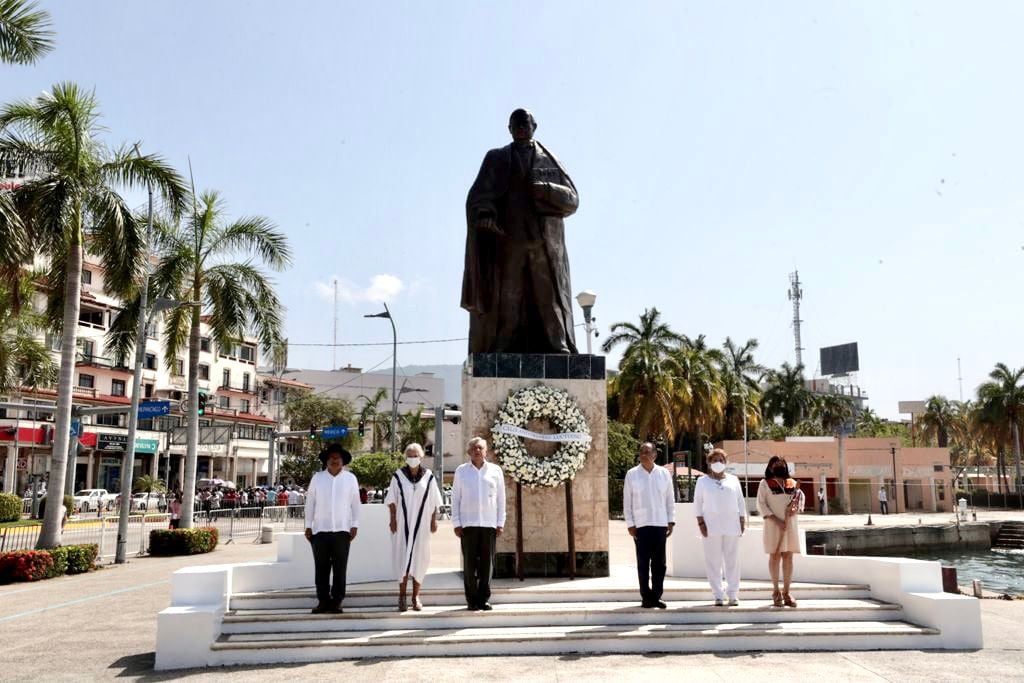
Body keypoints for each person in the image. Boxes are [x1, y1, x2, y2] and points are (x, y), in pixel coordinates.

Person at [461, 108, 580, 354]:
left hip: (544, 244)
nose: (520, 129)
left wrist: (546, 189)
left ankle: (557, 344)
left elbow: (573, 200)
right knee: (508, 297)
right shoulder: (496, 158)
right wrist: (485, 214)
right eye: (515, 125)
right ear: (509, 129)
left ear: (534, 125)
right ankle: (503, 345)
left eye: (524, 124)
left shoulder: (550, 159)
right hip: (508, 241)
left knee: (549, 296)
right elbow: (477, 198)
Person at [386, 443, 443, 612]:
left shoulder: (429, 477)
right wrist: (393, 519)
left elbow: (434, 502)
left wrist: (434, 520)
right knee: (402, 558)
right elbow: (391, 500)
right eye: (409, 455)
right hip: (403, 523)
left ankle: (415, 596)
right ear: (405, 457)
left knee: (420, 558)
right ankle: (402, 596)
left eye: (415, 455)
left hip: (422, 524)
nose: (412, 458)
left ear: (421, 456)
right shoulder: (398, 476)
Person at [304, 444, 361, 614]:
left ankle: (336, 601)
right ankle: (323, 601)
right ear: (326, 461)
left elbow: (355, 503)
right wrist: (308, 525)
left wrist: (355, 524)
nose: (335, 460)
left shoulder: (350, 478)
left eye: (338, 458)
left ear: (343, 461)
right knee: (321, 568)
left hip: (343, 530)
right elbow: (310, 503)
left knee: (340, 568)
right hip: (320, 530)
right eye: (332, 458)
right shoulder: (317, 478)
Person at [451, 437, 506, 611]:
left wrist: (500, 522)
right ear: (469, 452)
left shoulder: (495, 471)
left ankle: (483, 599)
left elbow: (501, 499)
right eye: (474, 448)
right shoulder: (461, 471)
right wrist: (456, 522)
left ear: (486, 451)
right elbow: (455, 498)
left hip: (489, 524)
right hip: (468, 525)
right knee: (469, 565)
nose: (477, 451)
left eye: (480, 448)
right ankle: (472, 600)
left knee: (486, 565)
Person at [623, 442, 675, 609]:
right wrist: (630, 524)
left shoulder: (664, 474)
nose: (644, 454)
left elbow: (669, 499)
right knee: (643, 563)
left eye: (647, 451)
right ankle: (646, 597)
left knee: (660, 564)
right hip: (641, 525)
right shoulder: (632, 474)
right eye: (641, 452)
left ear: (654, 455)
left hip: (660, 524)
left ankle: (657, 596)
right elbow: (627, 502)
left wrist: (670, 520)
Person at [693, 448, 746, 606]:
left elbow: (740, 502)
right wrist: (701, 523)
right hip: (711, 526)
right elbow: (697, 504)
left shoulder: (733, 480)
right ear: (709, 463)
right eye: (715, 460)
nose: (718, 463)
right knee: (713, 561)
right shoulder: (702, 481)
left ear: (726, 462)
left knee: (733, 560)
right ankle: (717, 594)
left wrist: (742, 520)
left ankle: (733, 594)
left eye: (721, 460)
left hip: (732, 525)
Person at [757, 456, 804, 608]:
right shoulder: (764, 483)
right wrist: (776, 521)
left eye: (781, 463)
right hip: (773, 525)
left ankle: (787, 592)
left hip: (790, 525)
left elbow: (799, 499)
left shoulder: (793, 483)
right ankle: (776, 591)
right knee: (775, 556)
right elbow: (761, 504)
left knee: (788, 556)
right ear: (770, 467)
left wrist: (795, 508)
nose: (778, 465)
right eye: (775, 463)